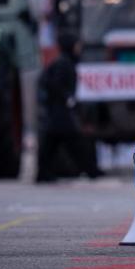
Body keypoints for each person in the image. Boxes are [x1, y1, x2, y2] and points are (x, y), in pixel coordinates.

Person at [35, 31, 103, 183]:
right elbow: (55, 85)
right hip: (60, 111)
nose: (79, 48)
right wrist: (67, 98)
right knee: (75, 141)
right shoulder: (63, 63)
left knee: (52, 143)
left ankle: (43, 173)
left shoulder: (64, 62)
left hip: (58, 112)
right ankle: (91, 170)